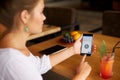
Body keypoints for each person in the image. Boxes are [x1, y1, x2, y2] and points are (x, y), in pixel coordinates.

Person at [0, 0, 96, 80]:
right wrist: (81, 76)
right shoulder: (13, 62)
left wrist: (73, 50)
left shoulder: (13, 47)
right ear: (25, 16)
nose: (44, 17)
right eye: (41, 11)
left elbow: (38, 66)